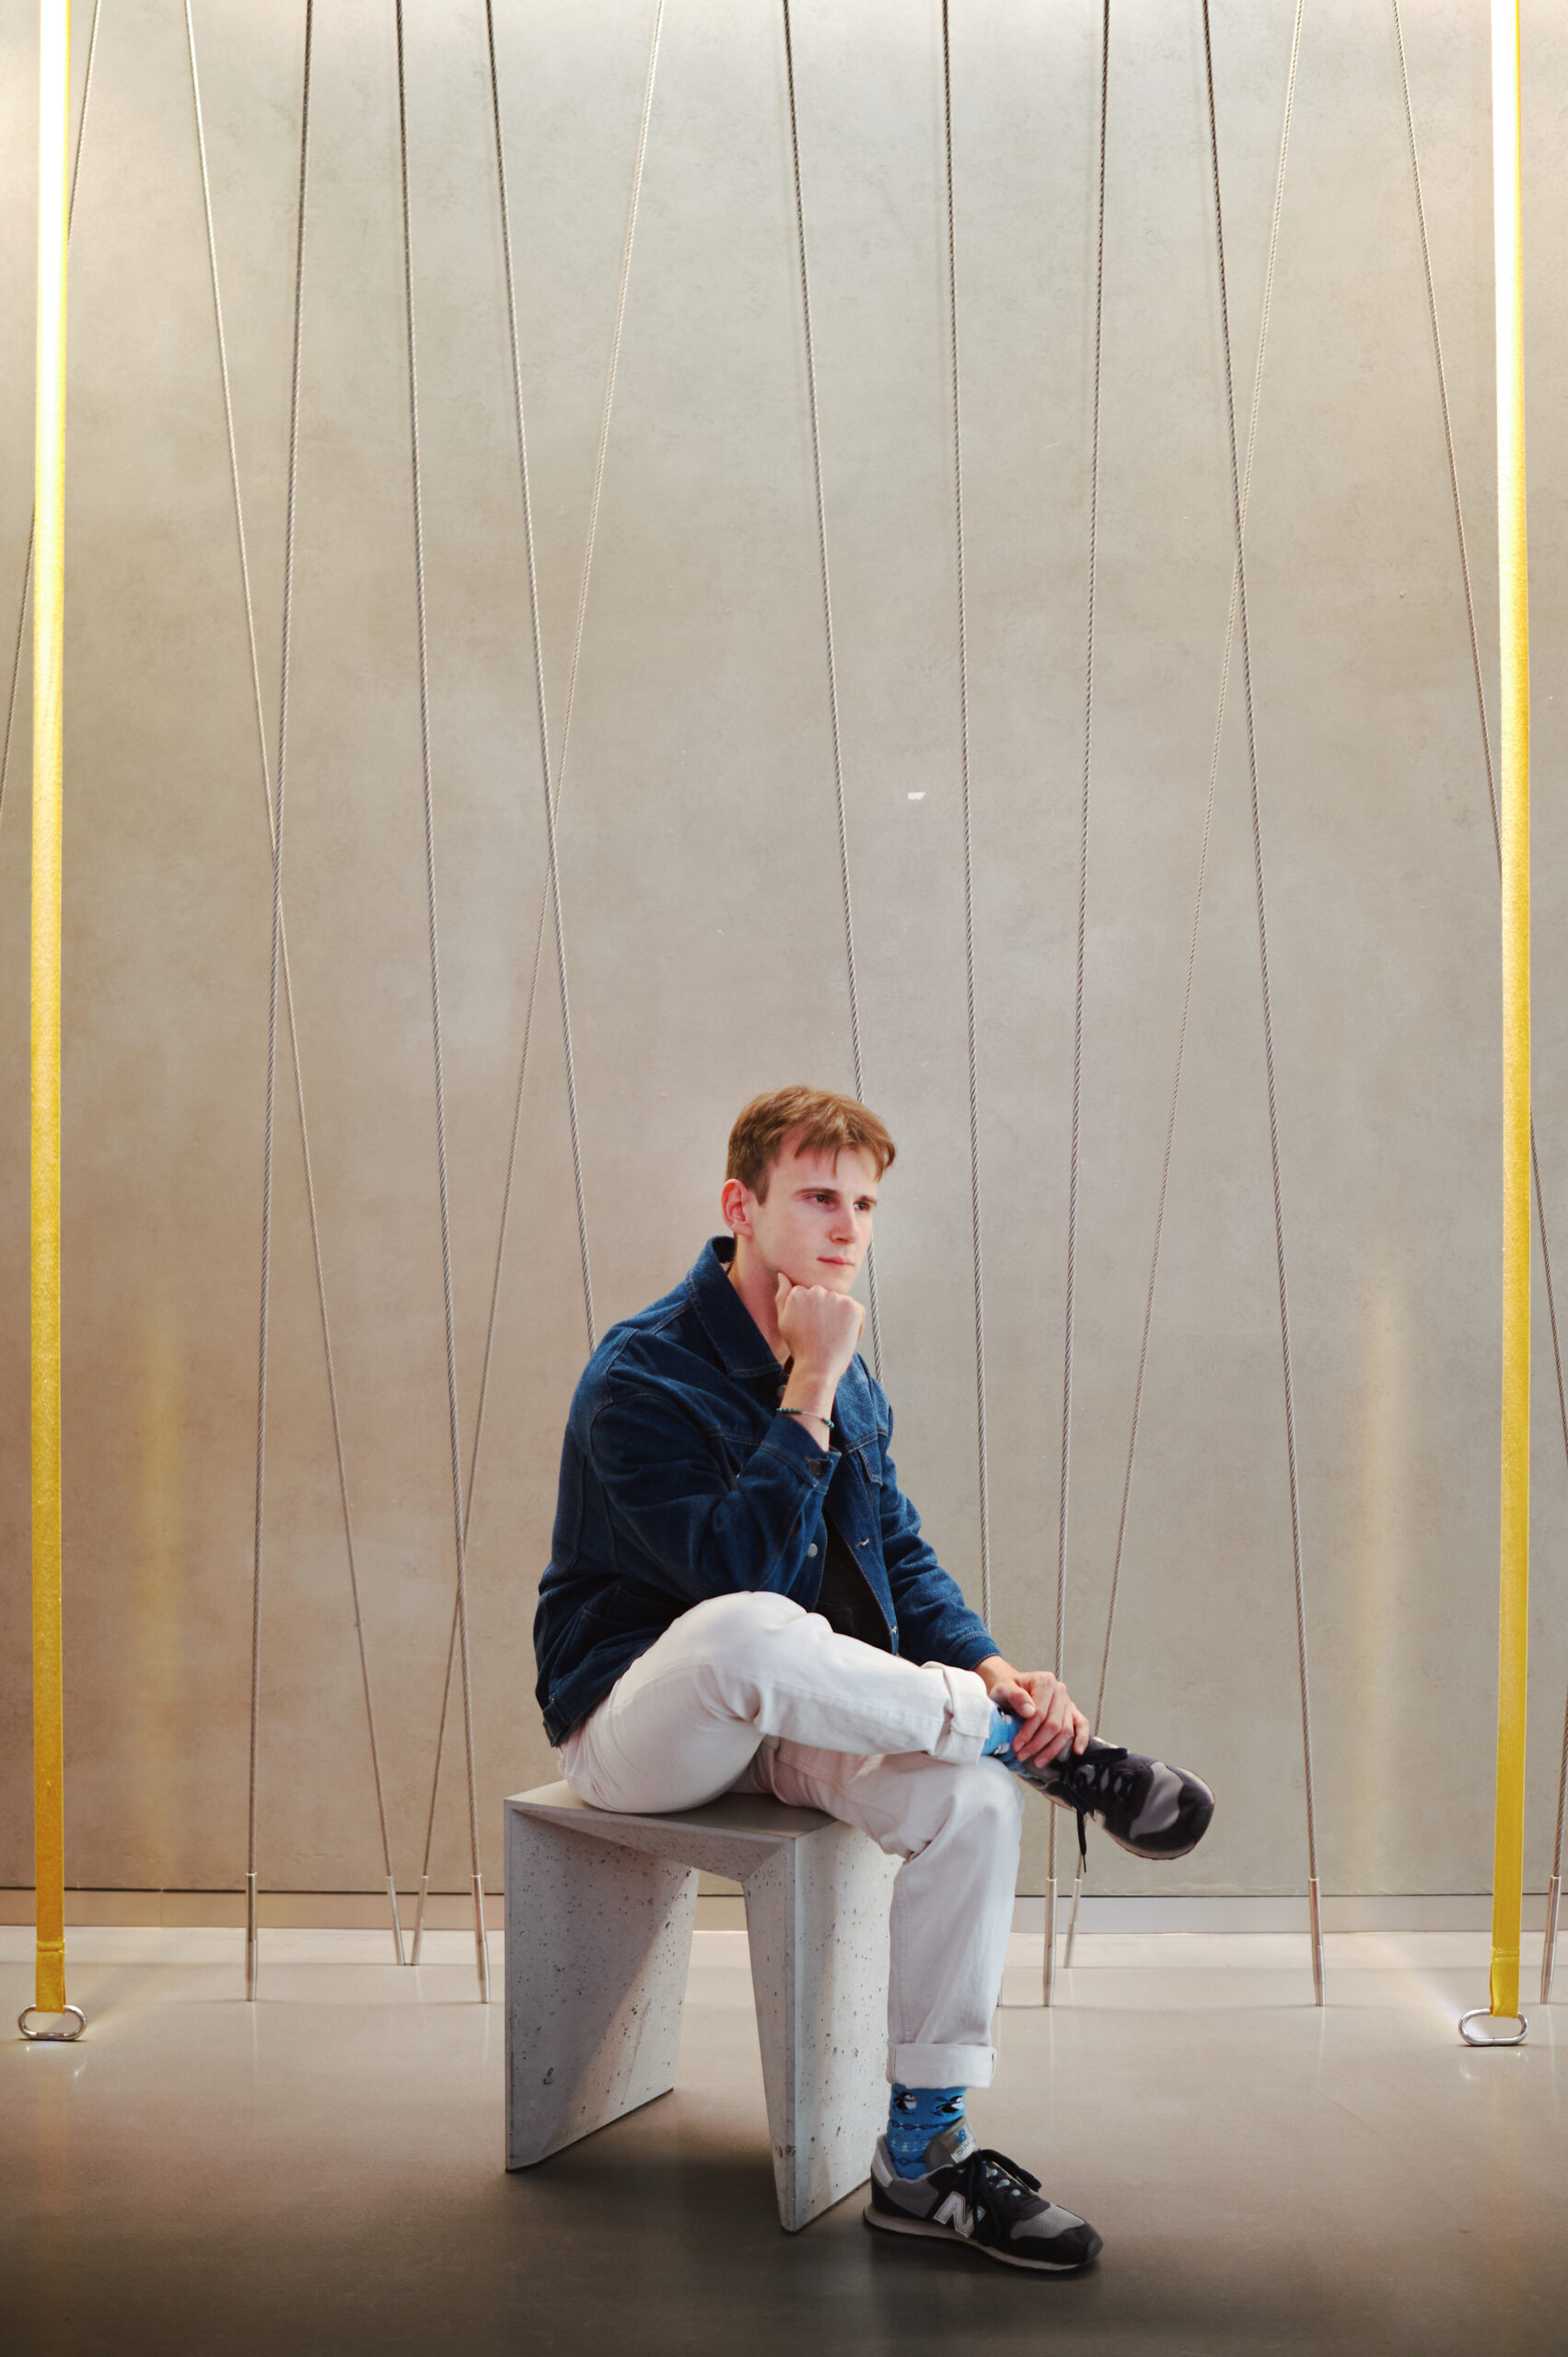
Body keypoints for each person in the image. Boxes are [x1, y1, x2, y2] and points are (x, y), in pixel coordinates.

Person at [534, 1085, 1213, 2271]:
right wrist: (810, 1386)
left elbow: (897, 1555)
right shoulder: (642, 1374)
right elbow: (732, 1579)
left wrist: (995, 1667)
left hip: (793, 1718)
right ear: (741, 1207)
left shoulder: (848, 1374)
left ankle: (924, 2157)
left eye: (863, 1205)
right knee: (746, 1626)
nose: (847, 1228)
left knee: (971, 1801)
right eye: (817, 1198)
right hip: (639, 1723)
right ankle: (1019, 1745)